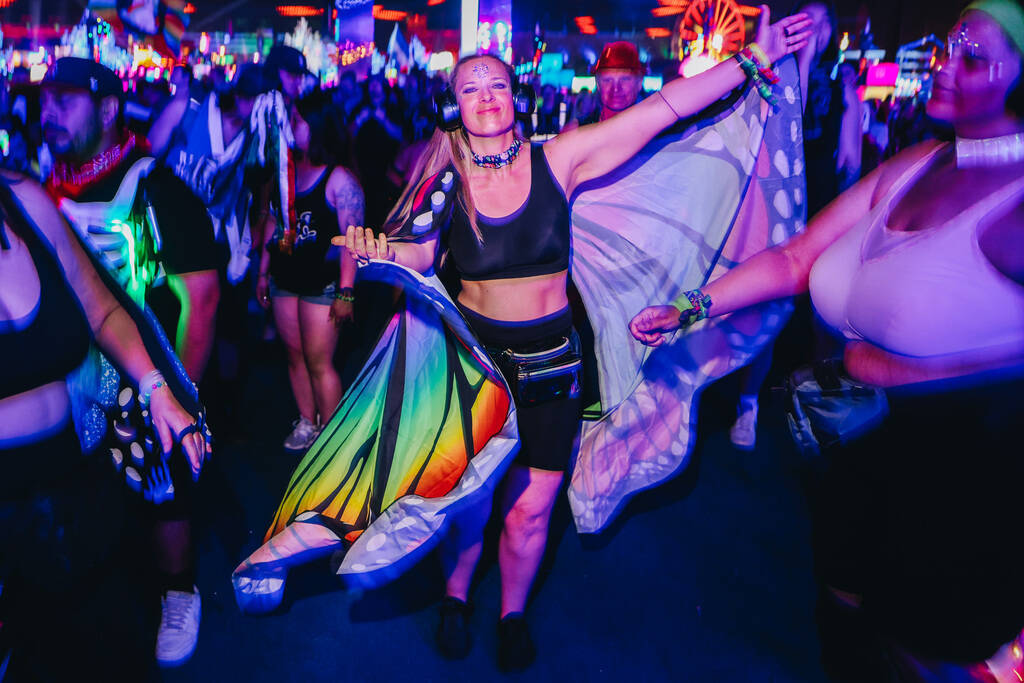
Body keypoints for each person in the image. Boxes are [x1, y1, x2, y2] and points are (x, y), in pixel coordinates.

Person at [339, 11, 809, 669]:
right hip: (472, 368)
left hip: (553, 367)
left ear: (515, 96)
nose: (483, 95)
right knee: (470, 499)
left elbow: (662, 111)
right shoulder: (443, 163)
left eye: (494, 84)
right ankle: (455, 591)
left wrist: (750, 60)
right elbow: (418, 249)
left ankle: (512, 610)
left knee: (531, 509)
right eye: (469, 87)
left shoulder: (559, 157)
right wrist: (381, 250)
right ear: (455, 102)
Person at [630, 1, 1024, 678]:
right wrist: (692, 306)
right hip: (852, 444)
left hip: (959, 474)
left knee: (917, 648)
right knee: (842, 616)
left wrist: (920, 373)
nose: (945, 65)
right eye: (948, 46)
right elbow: (795, 259)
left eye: (975, 57)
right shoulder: (916, 165)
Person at [41, 57, 222, 667]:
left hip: (150, 378)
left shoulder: (155, 189)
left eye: (66, 101)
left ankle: (179, 591)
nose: (49, 113)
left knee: (163, 491)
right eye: (46, 101)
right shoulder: (42, 191)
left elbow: (201, 297)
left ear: (110, 109)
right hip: (73, 379)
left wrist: (183, 397)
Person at [0, 169, 208, 678]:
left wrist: (159, 392)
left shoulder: (24, 200)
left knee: (114, 653)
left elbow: (101, 310)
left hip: (80, 486)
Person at [256, 94, 362, 451]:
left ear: (316, 127)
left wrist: (347, 293)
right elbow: (274, 223)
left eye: (298, 120)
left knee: (320, 362)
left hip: (324, 283)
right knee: (295, 356)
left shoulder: (339, 179)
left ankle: (332, 441)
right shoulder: (287, 170)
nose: (291, 126)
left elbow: (352, 242)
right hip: (286, 279)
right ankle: (307, 422)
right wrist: (263, 273)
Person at [562, 41, 645, 132]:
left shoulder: (652, 133)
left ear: (639, 83)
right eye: (607, 80)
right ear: (598, 84)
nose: (616, 88)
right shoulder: (579, 131)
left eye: (624, 79)